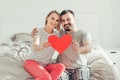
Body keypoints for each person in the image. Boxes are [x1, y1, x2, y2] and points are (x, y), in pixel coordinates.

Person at [24, 10, 65, 80]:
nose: (54, 22)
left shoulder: (57, 34)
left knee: (61, 66)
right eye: (52, 18)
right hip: (32, 62)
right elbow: (35, 46)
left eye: (57, 20)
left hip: (45, 66)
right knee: (47, 77)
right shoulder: (38, 31)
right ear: (47, 18)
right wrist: (42, 46)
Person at [57, 9, 92, 80]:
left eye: (68, 19)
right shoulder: (59, 33)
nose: (66, 22)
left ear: (74, 19)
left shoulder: (83, 34)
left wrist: (79, 49)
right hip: (63, 69)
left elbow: (88, 48)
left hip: (80, 68)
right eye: (63, 21)